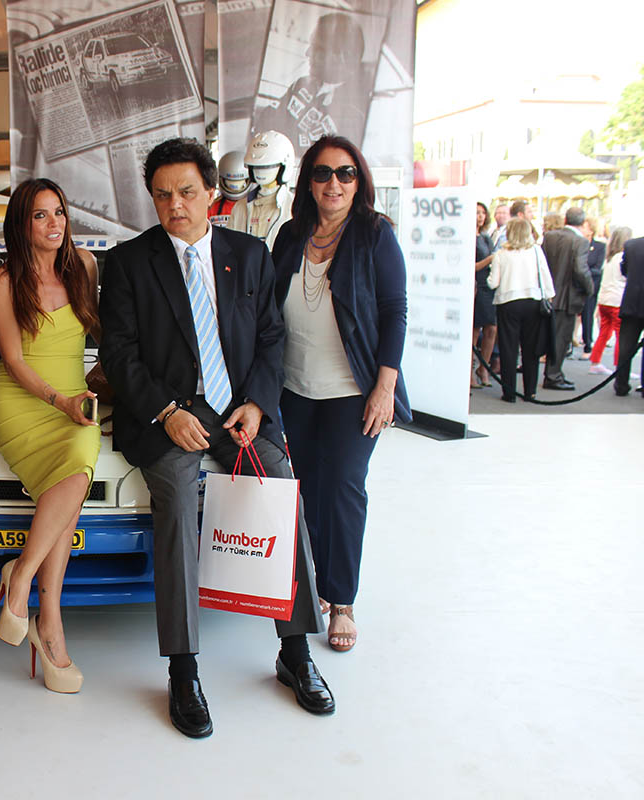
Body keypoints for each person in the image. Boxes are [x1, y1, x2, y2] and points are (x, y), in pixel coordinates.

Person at [100, 138, 331, 739]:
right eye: (161, 195)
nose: (174, 205)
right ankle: (182, 669)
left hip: (239, 410)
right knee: (177, 505)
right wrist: (166, 411)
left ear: (210, 193)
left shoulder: (249, 255)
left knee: (280, 491)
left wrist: (257, 403)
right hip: (171, 413)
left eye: (185, 192)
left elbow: (272, 337)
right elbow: (120, 355)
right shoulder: (129, 262)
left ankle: (295, 652)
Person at [270, 134, 410, 654]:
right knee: (308, 490)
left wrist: (384, 386)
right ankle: (320, 586)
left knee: (345, 489)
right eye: (323, 173)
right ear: (308, 182)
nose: (335, 183)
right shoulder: (291, 236)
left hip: (355, 391)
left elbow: (394, 310)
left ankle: (343, 600)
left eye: (346, 173)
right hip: (295, 389)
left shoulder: (374, 234)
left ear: (359, 181)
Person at [0, 178, 100, 694]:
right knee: (72, 484)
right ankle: (47, 619)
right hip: (23, 401)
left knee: (77, 466)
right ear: (21, 224)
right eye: (40, 215)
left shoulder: (85, 268)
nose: (54, 224)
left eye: (59, 213)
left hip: (76, 401)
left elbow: (107, 338)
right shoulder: (4, 281)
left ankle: (23, 577)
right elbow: (12, 360)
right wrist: (61, 402)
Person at [253, 12, 369, 150]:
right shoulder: (301, 85)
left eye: (317, 48)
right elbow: (267, 122)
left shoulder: (355, 114)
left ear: (343, 58)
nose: (307, 53)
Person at [486, 218, 555, 402]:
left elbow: (493, 283)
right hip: (533, 301)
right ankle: (530, 391)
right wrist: (549, 296)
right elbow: (545, 277)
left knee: (508, 348)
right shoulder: (536, 251)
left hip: (508, 302)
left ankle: (509, 392)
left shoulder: (501, 254)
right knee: (531, 349)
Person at [541, 207, 593, 390]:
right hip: (568, 296)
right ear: (582, 222)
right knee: (561, 339)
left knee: (550, 337)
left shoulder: (550, 237)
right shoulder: (580, 241)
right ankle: (553, 375)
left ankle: (554, 373)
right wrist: (590, 289)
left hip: (548, 293)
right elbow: (580, 270)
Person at [226, 129, 295, 249]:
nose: (260, 172)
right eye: (256, 167)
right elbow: (229, 246)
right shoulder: (240, 207)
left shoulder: (293, 206)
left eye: (268, 166)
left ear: (283, 167)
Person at [590, 226, 632, 375]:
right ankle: (620, 367)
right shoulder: (623, 258)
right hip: (617, 300)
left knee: (604, 333)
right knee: (621, 336)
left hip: (605, 300)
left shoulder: (609, 258)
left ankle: (595, 362)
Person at [614, 234, 644, 397]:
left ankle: (621, 384)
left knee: (626, 346)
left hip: (632, 301)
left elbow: (624, 271)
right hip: (633, 301)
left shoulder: (631, 245)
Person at [473, 201, 497, 387]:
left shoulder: (486, 237)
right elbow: (470, 267)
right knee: (474, 330)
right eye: (477, 212)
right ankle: (469, 372)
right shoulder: (469, 238)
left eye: (482, 213)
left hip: (490, 286)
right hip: (476, 286)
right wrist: (490, 259)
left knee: (491, 329)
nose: (480, 216)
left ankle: (484, 368)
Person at [580, 218, 606, 358]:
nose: (582, 229)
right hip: (576, 285)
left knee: (587, 315)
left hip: (590, 285)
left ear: (591, 230)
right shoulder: (578, 243)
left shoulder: (600, 246)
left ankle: (588, 345)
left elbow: (597, 268)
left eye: (584, 227)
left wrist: (582, 271)